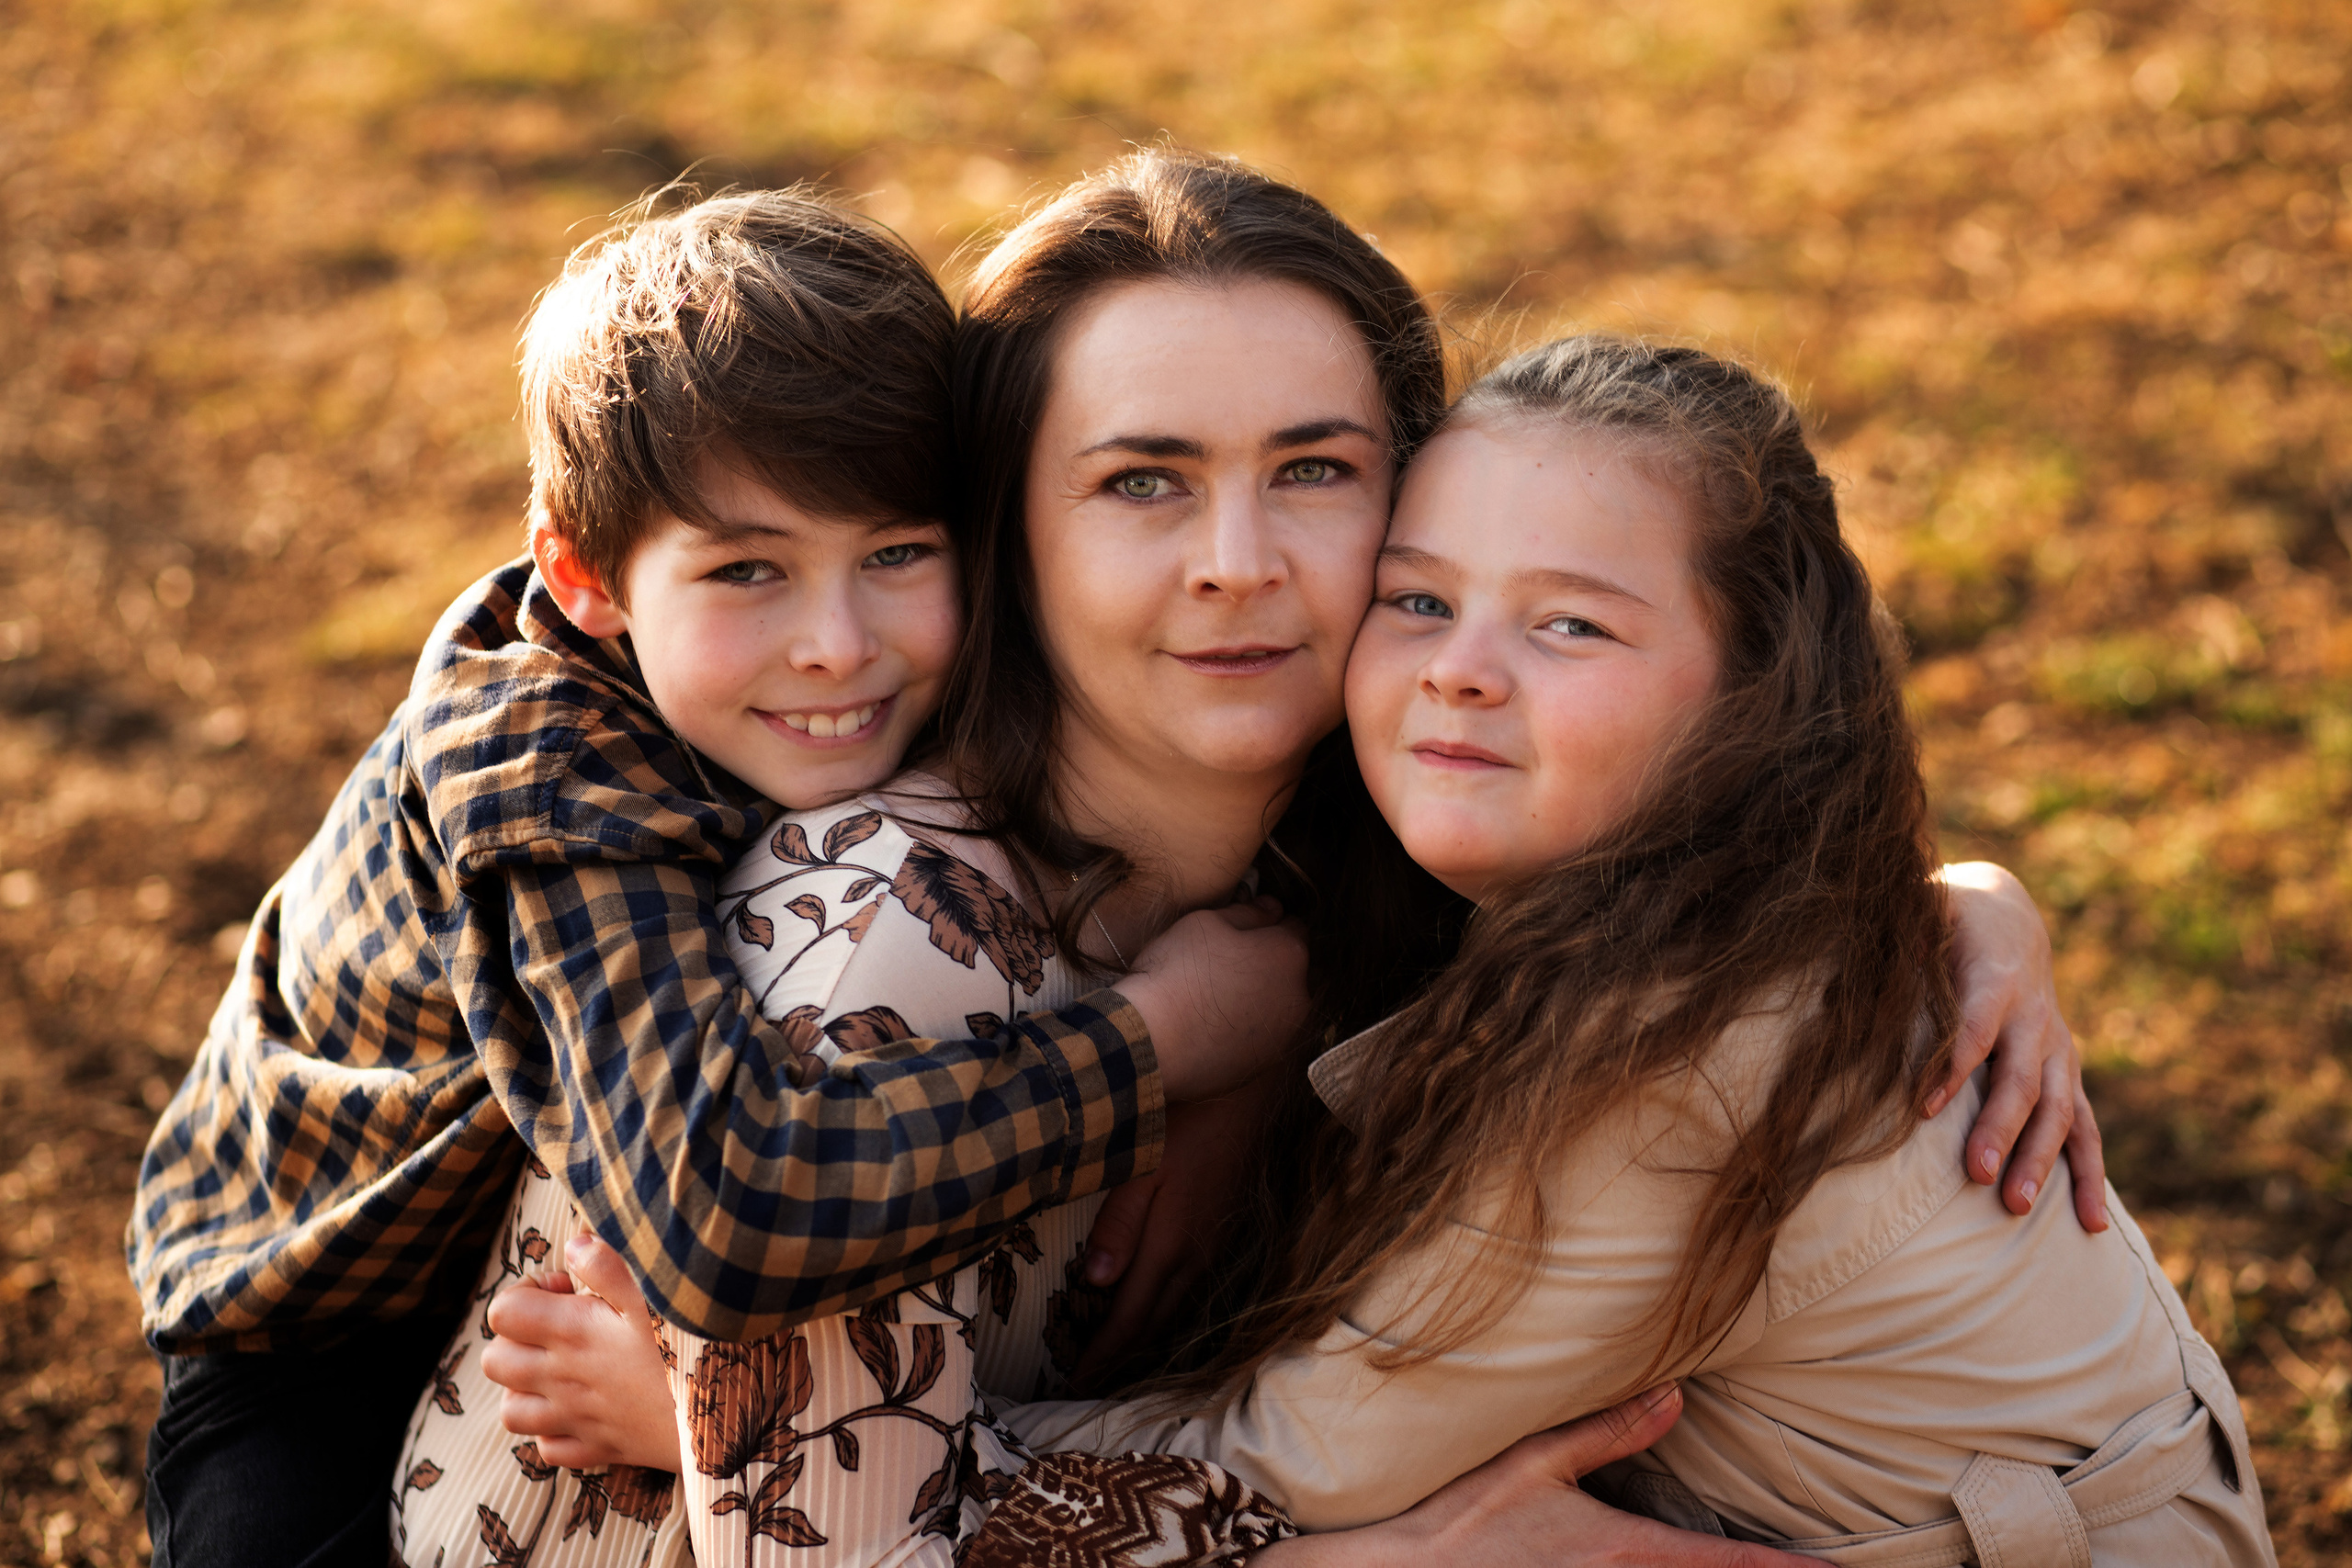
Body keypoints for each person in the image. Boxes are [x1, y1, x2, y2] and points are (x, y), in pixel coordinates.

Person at [478, 152, 2111, 1567]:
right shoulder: (890, 949)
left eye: (1316, 472)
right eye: (1142, 484)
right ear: (1004, 534)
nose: (1241, 568)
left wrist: (1958, 905)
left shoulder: (1389, 842)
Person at [127, 187, 1301, 1568]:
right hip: (325, 1329)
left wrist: (1268, 1061)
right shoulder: (544, 777)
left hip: (568, 1238)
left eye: (897, 555)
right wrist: (1161, 1048)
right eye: (749, 569)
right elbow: (728, 1209)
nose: (836, 646)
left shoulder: (881, 666)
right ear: (585, 577)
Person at [983, 335, 2277, 1565]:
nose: (1461, 671)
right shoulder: (1677, 903)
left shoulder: (1687, 1058)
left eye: (1570, 627)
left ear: (1755, 690)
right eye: (1419, 598)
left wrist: (873, 1464)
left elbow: (1296, 1464)